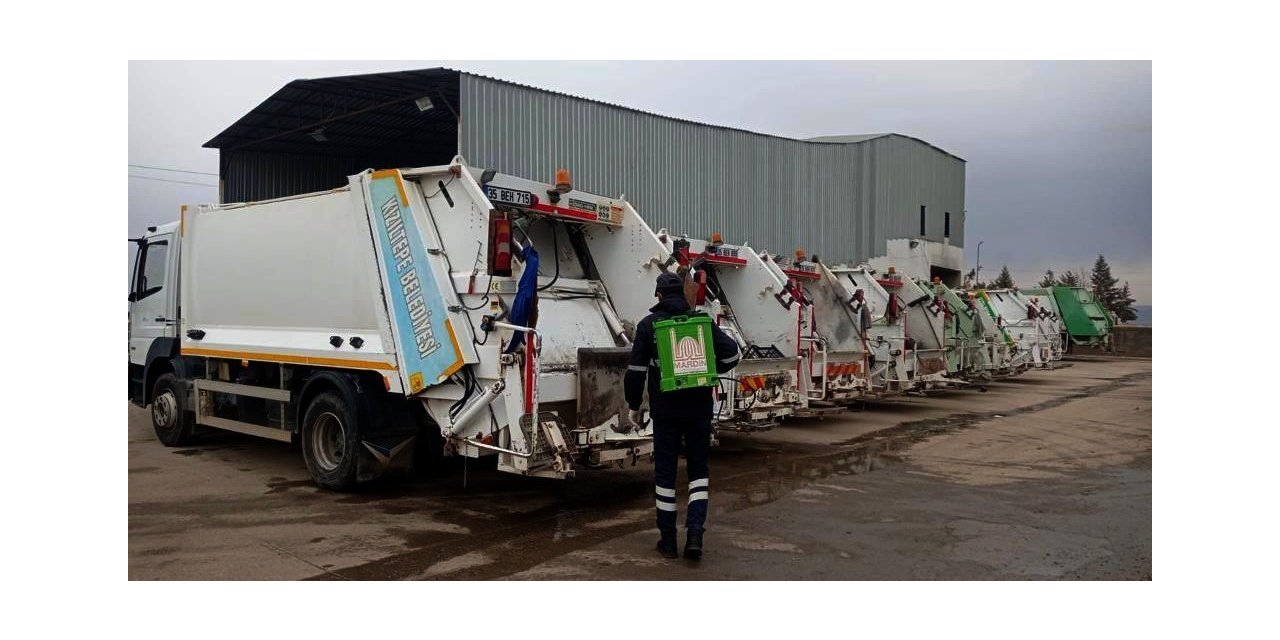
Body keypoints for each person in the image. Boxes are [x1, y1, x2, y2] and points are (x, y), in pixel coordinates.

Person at [625, 271, 741, 560]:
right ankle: (695, 537)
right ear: (683, 294)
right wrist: (706, 368)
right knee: (698, 474)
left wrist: (634, 405)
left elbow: (636, 371)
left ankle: (667, 540)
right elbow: (732, 355)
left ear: (659, 296)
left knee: (665, 475)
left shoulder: (649, 325)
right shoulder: (700, 324)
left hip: (665, 413)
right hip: (699, 410)